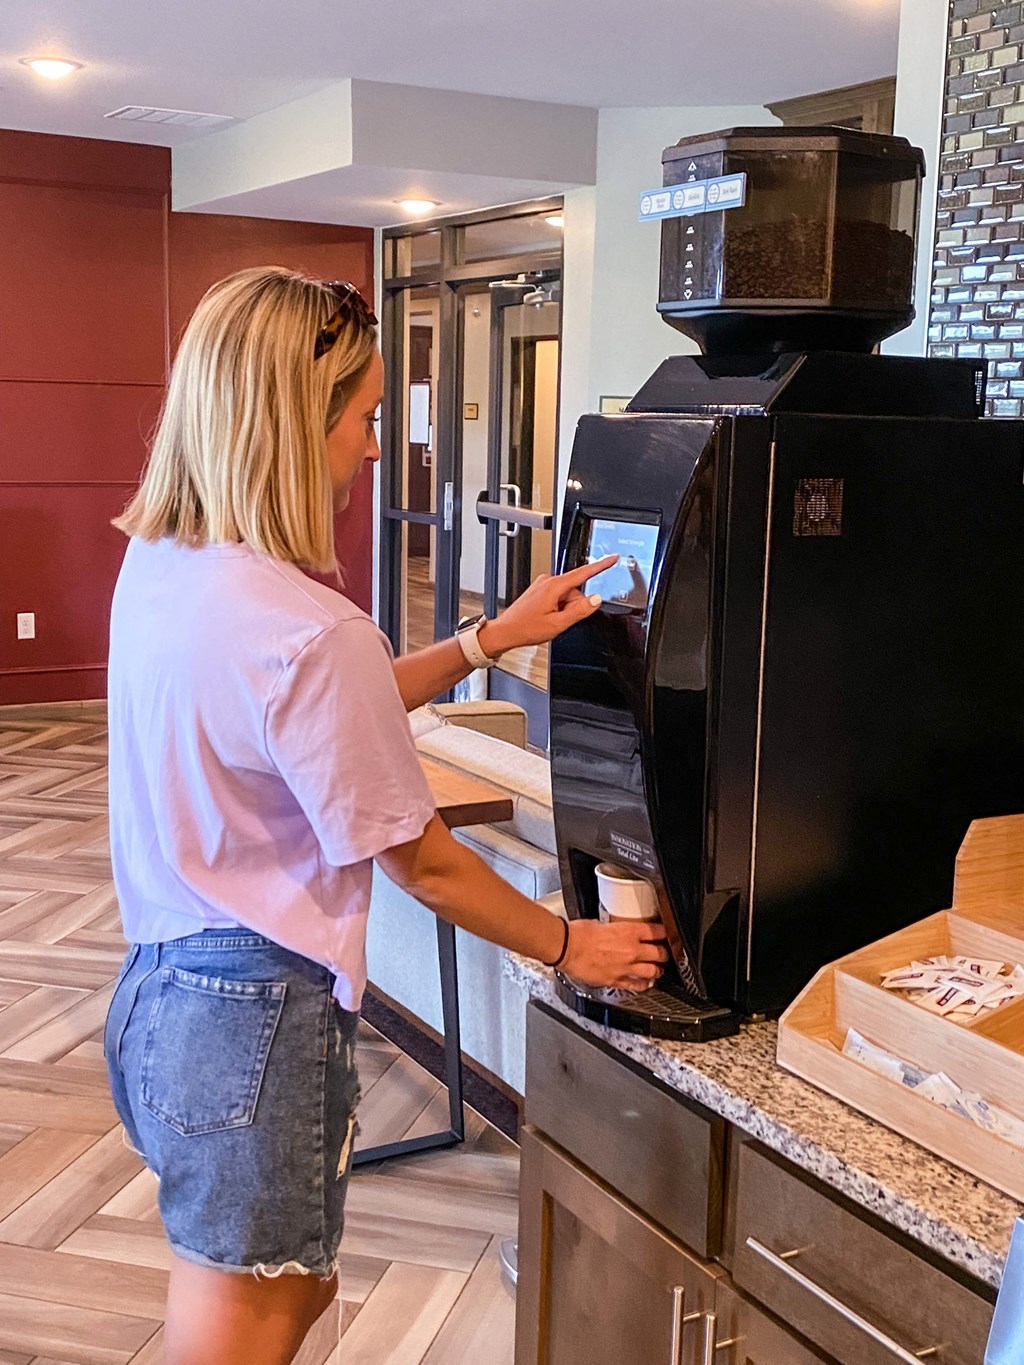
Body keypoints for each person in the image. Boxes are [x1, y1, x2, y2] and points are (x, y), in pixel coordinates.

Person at [102, 267, 669, 1365]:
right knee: (244, 1334)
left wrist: (482, 642)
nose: (375, 448)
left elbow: (311, 716)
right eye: (364, 417)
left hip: (159, 997)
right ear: (288, 421)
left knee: (275, 1300)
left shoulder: (166, 566)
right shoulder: (309, 628)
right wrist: (574, 945)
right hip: (253, 1016)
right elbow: (427, 865)